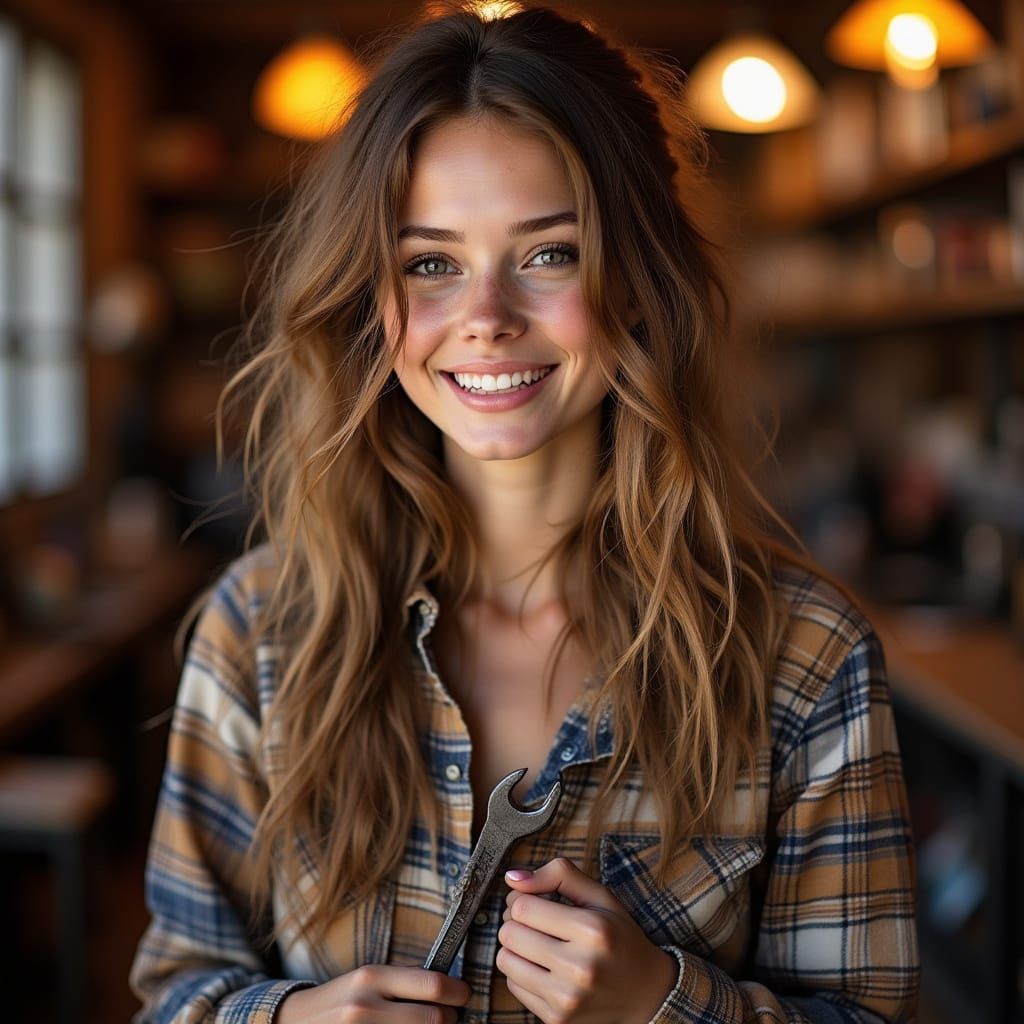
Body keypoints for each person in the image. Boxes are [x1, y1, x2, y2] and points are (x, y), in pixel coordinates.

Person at [129, 4, 919, 1022]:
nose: (487, 316)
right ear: (370, 299)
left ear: (635, 279)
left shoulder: (803, 660)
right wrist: (288, 1017)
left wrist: (662, 1003)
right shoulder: (259, 633)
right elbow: (174, 989)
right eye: (430, 263)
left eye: (549, 253)